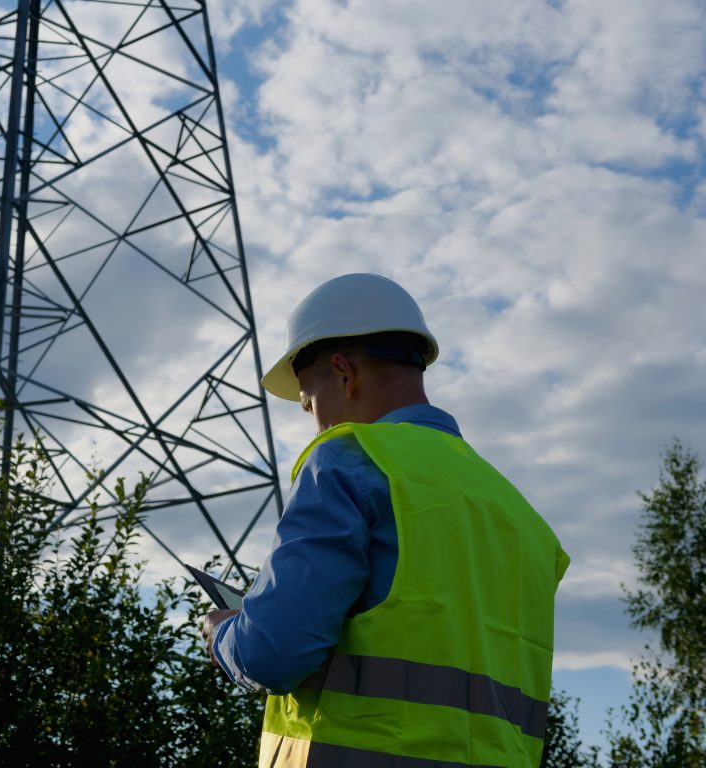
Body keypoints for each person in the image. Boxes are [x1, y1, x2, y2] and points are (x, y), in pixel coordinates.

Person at [201, 273, 569, 768]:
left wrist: (226, 634)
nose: (313, 418)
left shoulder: (348, 461)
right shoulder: (522, 518)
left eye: (309, 401)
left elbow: (273, 653)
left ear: (343, 372)